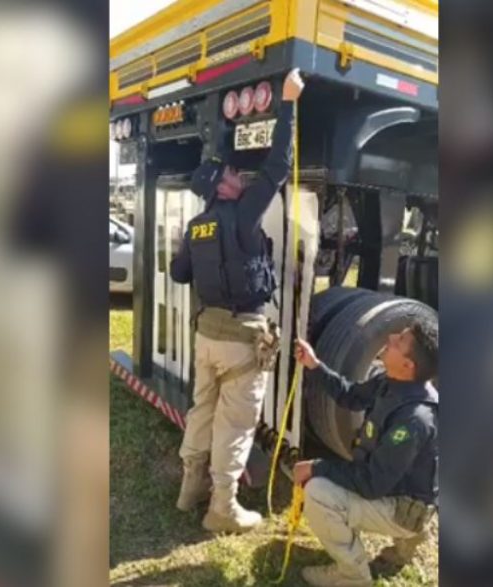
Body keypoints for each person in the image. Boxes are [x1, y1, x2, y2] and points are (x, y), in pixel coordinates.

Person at [169, 68, 305, 533]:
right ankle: (222, 509)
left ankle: (190, 490)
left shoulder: (195, 227)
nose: (237, 173)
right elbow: (278, 167)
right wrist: (287, 102)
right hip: (242, 340)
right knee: (235, 424)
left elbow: (178, 273)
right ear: (221, 188)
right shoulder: (244, 214)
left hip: (206, 337)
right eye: (230, 172)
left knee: (201, 411)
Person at [292, 320, 439, 587]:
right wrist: (314, 365)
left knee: (318, 493)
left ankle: (353, 577)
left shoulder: (413, 420)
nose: (391, 336)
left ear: (408, 366)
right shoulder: (392, 381)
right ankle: (409, 541)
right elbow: (350, 396)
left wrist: (316, 468)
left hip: (403, 505)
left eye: (400, 341)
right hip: (400, 486)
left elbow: (372, 484)